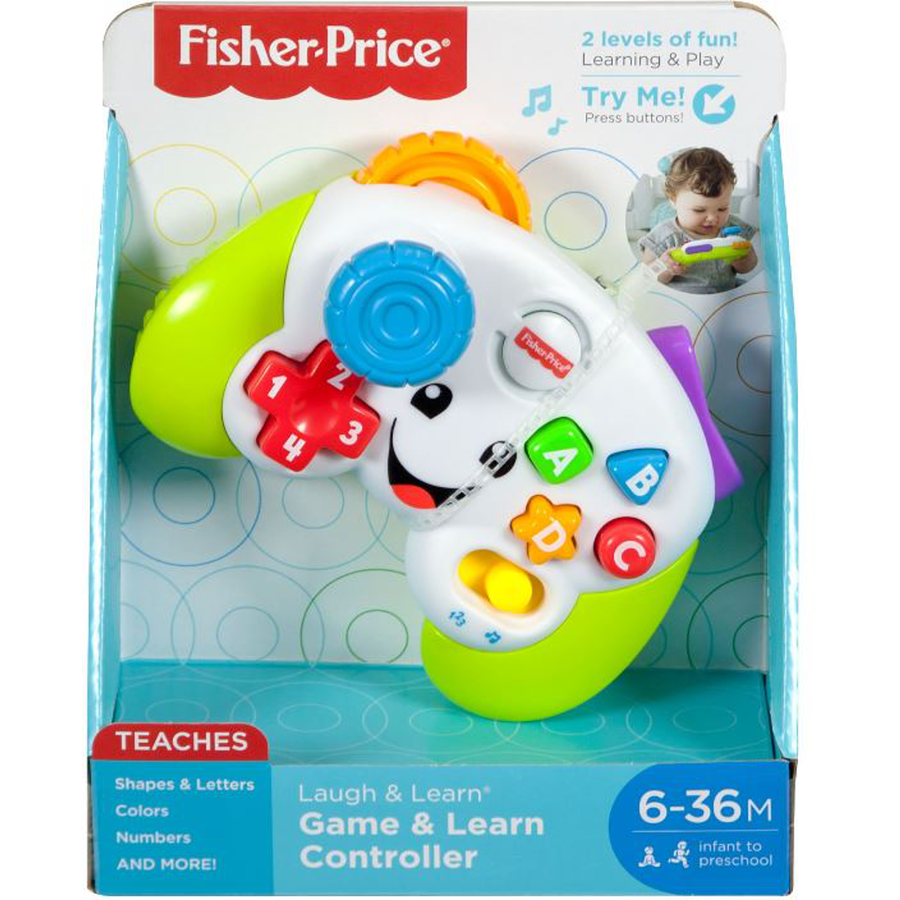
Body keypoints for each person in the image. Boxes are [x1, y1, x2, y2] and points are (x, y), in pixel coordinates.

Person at [639, 147, 758, 293]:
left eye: (722, 208)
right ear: (673, 200)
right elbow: (646, 275)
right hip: (684, 301)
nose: (713, 218)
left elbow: (748, 267)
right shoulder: (664, 235)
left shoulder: (733, 229)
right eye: (699, 210)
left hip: (726, 297)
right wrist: (666, 267)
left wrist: (743, 258)